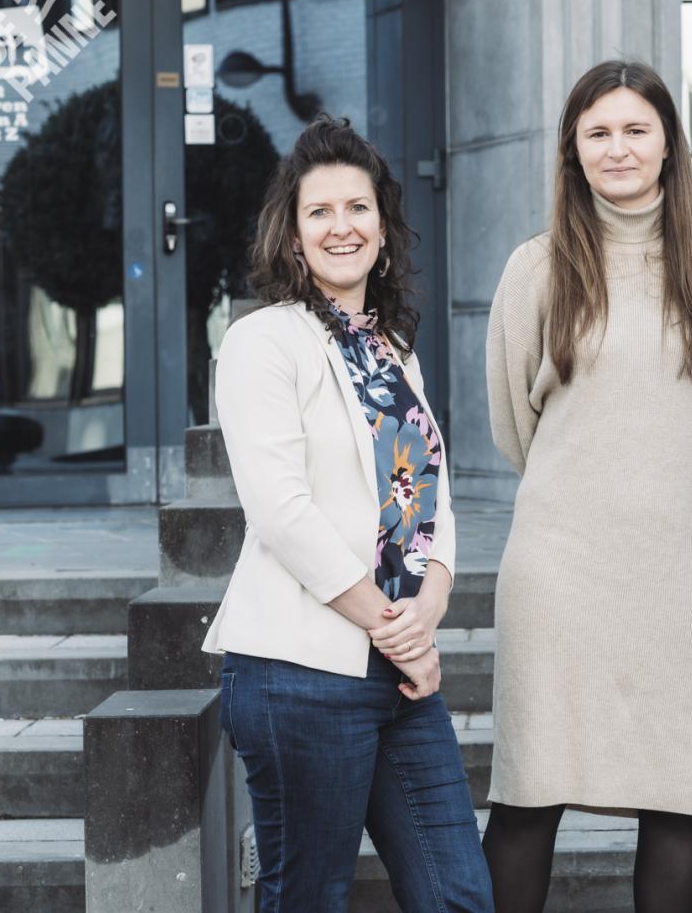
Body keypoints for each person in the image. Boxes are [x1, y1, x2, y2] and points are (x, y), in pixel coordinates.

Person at [482, 59, 692, 912]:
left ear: (669, 143)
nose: (618, 148)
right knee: (529, 791)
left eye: (636, 129)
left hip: (687, 567)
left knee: (677, 796)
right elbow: (514, 421)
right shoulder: (535, 269)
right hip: (561, 565)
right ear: (572, 148)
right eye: (598, 132)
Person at [202, 115, 493, 912]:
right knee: (309, 898)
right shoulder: (263, 341)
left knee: (458, 894)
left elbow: (425, 492)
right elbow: (281, 510)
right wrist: (392, 628)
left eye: (358, 208)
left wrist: (429, 605)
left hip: (398, 670)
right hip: (299, 673)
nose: (342, 226)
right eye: (320, 211)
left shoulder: (392, 346)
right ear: (294, 236)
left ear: (383, 228)